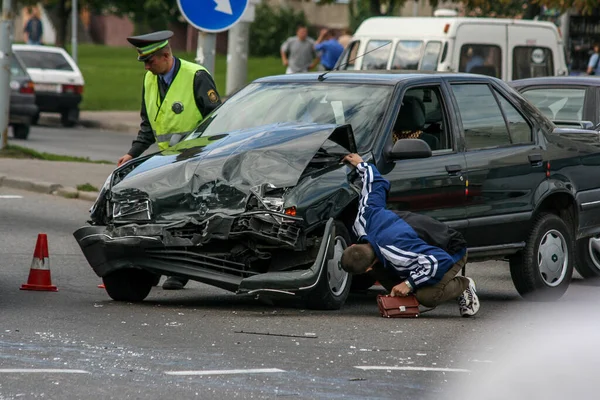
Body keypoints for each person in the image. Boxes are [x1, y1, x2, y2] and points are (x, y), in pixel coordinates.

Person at [118, 30, 222, 290]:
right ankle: (155, 267)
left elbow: (217, 121)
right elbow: (148, 125)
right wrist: (132, 153)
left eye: (150, 61)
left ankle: (181, 271)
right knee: (160, 216)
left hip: (196, 161)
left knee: (186, 219)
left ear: (166, 56)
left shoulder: (196, 76)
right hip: (166, 162)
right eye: (144, 61)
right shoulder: (150, 79)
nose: (146, 66)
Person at [340, 153, 480, 317]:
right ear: (353, 245)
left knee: (426, 296)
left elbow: (439, 260)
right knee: (390, 271)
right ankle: (411, 292)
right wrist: (361, 164)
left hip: (450, 249)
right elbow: (374, 185)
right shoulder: (364, 219)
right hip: (419, 245)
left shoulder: (398, 252)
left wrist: (409, 283)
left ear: (367, 267)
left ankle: (463, 286)